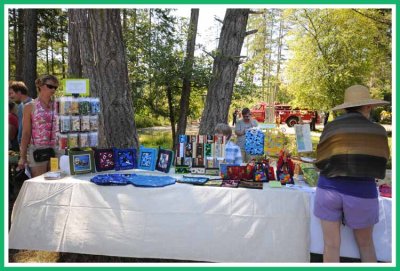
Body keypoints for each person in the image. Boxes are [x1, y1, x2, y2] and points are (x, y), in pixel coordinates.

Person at [314, 85, 390, 262]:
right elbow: (382, 159)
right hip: (362, 192)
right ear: (368, 106)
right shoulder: (378, 130)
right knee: (366, 245)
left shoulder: (332, 127)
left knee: (330, 245)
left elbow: (321, 159)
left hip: (328, 190)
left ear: (346, 106)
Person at [18, 75, 59, 178]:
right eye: (50, 86)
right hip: (37, 151)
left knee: (56, 182)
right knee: (39, 183)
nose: (53, 89)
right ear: (40, 86)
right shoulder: (30, 106)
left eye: (55, 87)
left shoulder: (58, 105)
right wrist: (22, 157)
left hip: (56, 150)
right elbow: (26, 133)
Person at [9, 81, 32, 145]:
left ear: (19, 92)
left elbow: (24, 127)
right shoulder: (20, 106)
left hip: (28, 144)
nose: (10, 96)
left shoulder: (31, 105)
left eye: (11, 93)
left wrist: (21, 141)